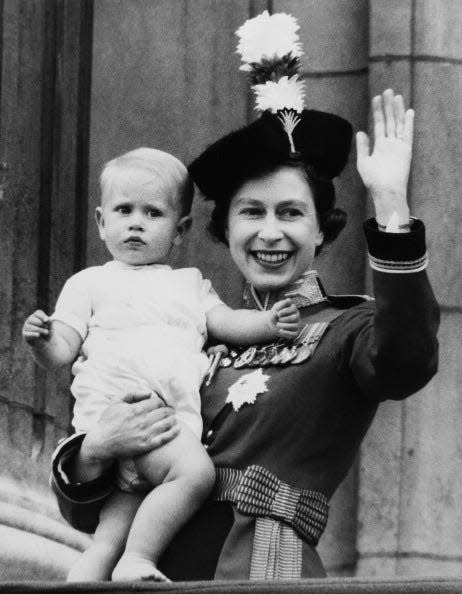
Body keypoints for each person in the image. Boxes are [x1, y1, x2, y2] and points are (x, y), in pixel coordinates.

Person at [49, 11, 439, 582]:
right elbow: (86, 511)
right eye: (251, 213)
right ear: (224, 230)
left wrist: (391, 211)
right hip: (151, 573)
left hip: (260, 571)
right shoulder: (184, 331)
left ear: (322, 230)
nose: (270, 233)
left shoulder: (344, 329)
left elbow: (406, 357)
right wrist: (96, 448)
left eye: (291, 214)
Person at [23, 147, 301, 582]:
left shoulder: (190, 286)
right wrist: (42, 341)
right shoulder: (90, 283)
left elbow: (228, 322)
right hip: (116, 418)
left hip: (164, 426)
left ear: (180, 229)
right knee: (193, 474)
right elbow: (61, 351)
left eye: (153, 213)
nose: (136, 222)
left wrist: (267, 322)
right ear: (101, 222)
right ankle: (137, 561)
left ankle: (89, 575)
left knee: (113, 530)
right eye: (124, 210)